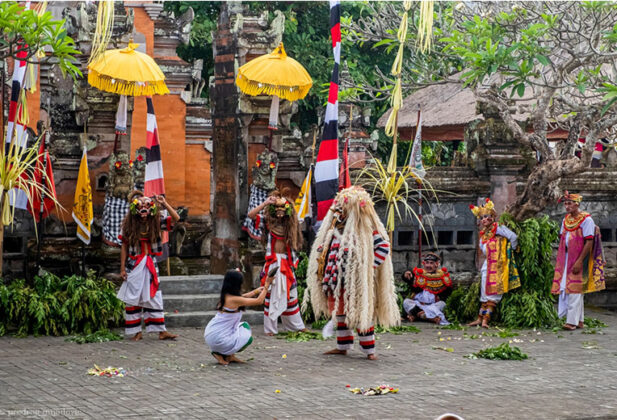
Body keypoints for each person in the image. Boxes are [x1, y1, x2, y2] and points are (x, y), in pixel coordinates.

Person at [303, 187, 400, 360]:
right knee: (340, 312)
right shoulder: (335, 225)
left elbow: (384, 247)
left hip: (357, 280)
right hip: (335, 278)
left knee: (362, 312)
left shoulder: (366, 228)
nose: (340, 208)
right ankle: (343, 346)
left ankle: (370, 350)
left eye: (344, 205)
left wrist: (368, 268)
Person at [117, 191, 179, 341]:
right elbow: (124, 247)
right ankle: (136, 331)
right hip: (134, 264)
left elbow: (176, 218)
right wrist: (122, 268)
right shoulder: (128, 225)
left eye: (146, 205)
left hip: (150, 264)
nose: (143, 208)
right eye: (140, 205)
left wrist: (164, 203)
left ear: (151, 208)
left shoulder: (156, 221)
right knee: (133, 298)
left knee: (154, 296)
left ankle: (161, 331)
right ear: (134, 209)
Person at [247, 190, 307, 335]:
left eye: (282, 210)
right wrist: (267, 203)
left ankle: (296, 326)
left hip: (286, 263)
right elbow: (251, 215)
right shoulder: (267, 222)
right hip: (273, 263)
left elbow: (298, 217)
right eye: (277, 210)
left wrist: (287, 204)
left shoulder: (291, 225)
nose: (280, 213)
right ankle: (270, 329)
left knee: (291, 294)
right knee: (271, 294)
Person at [552, 191, 605, 330]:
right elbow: (562, 236)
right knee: (571, 287)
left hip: (580, 257)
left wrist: (580, 261)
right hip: (567, 257)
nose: (567, 206)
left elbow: (589, 241)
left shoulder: (586, 219)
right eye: (565, 203)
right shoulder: (566, 220)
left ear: (577, 204)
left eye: (570, 203)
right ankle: (579, 320)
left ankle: (571, 322)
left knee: (575, 288)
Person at [468, 198, 520, 328]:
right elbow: (483, 249)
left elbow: (513, 238)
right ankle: (479, 319)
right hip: (487, 265)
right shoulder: (483, 235)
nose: (484, 219)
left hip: (498, 266)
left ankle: (486, 320)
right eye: (481, 218)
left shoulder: (499, 228)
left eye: (487, 216)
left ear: (493, 216)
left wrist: (509, 252)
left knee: (493, 294)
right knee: (484, 293)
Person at [204, 269, 273, 365]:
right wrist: (267, 285)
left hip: (212, 333)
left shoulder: (226, 296)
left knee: (239, 327)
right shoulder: (234, 299)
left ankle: (228, 355)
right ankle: (220, 353)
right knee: (246, 332)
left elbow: (242, 297)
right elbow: (259, 301)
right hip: (218, 338)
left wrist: (255, 291)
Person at [402, 252, 453, 325]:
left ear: (436, 264)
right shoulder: (419, 274)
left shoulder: (442, 276)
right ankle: (430, 318)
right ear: (424, 264)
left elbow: (448, 292)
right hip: (418, 304)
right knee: (406, 302)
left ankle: (418, 315)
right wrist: (406, 274)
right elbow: (408, 277)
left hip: (432, 305)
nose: (428, 265)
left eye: (431, 263)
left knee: (442, 304)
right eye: (427, 263)